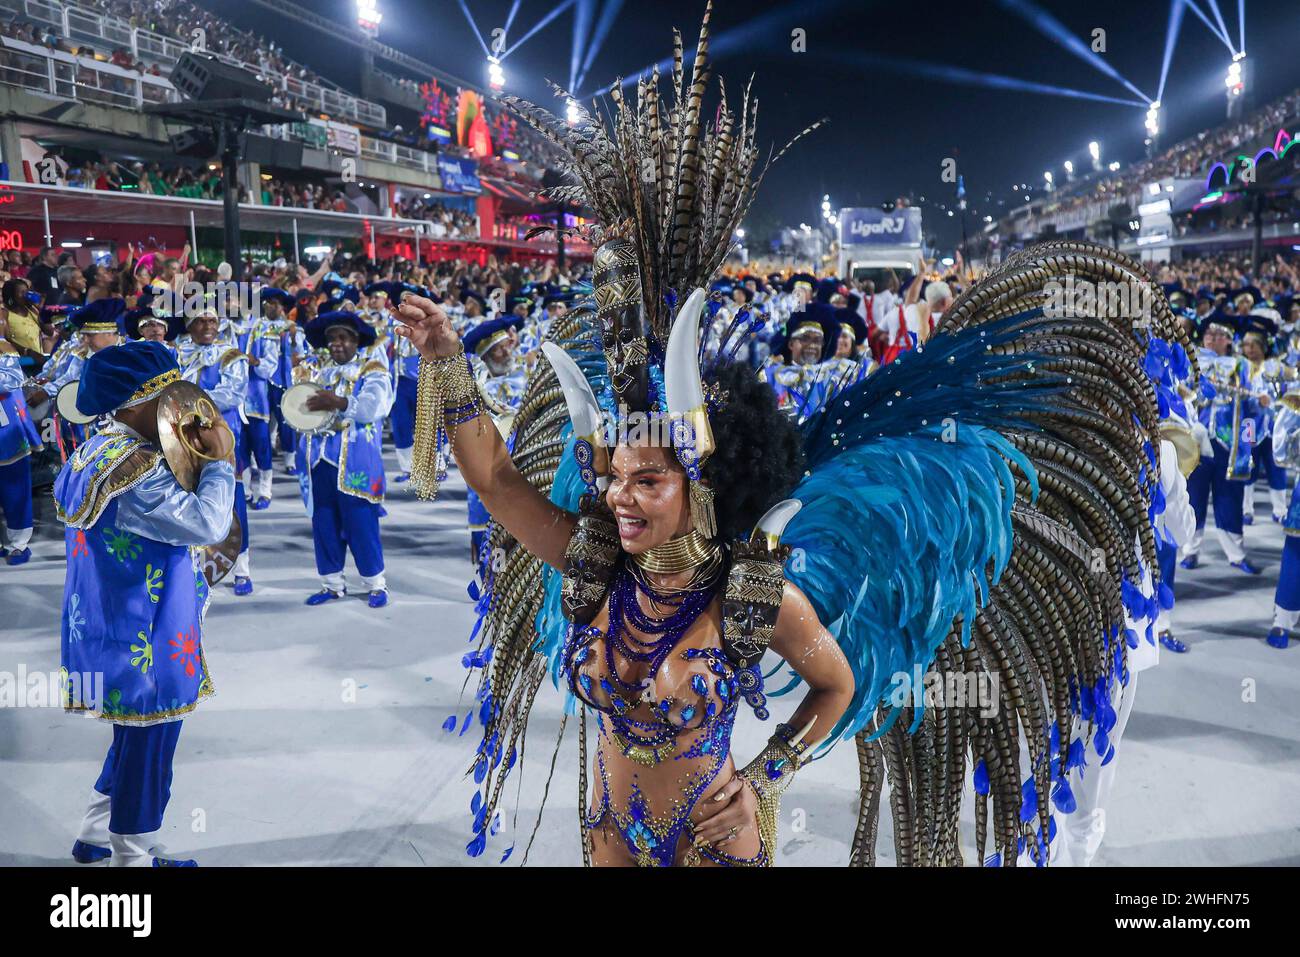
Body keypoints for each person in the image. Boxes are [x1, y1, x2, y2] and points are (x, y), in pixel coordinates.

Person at [393, 8, 1172, 868]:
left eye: (646, 479)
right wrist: (447, 362)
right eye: (614, 474)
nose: (619, 495)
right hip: (606, 840)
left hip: (713, 847)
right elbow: (497, 481)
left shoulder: (750, 596)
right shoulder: (593, 564)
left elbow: (834, 685)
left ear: (702, 483)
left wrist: (769, 774)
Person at [53, 340, 235, 866]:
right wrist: (219, 461)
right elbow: (209, 524)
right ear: (141, 400)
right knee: (150, 748)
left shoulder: (95, 449)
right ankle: (131, 859)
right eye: (170, 398)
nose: (180, 410)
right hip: (148, 639)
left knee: (130, 738)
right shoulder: (141, 471)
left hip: (106, 629)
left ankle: (92, 835)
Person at [295, 311, 393, 608]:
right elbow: (297, 406)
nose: (336, 344)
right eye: (331, 339)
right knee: (323, 521)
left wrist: (337, 402)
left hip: (355, 460)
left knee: (360, 522)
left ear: (356, 341)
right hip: (318, 458)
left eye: (343, 338)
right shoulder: (315, 371)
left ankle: (376, 584)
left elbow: (372, 408)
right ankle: (332, 584)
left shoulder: (372, 369)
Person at [175, 309, 253, 595]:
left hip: (223, 437)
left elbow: (232, 394)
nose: (208, 326)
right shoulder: (177, 353)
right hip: (183, 439)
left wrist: (188, 403)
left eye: (212, 321)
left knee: (232, 500)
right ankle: (195, 566)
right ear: (190, 326)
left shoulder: (231, 355)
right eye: (200, 321)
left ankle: (242, 568)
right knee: (190, 497)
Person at [1180, 321, 1262, 573]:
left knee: (1230, 499)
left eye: (1217, 335)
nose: (1210, 338)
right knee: (1193, 498)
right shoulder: (1190, 361)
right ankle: (1190, 551)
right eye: (1208, 334)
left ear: (1228, 340)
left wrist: (1247, 445)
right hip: (1198, 441)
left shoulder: (1242, 366)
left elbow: (1252, 410)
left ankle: (1236, 554)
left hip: (1230, 444)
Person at [461, 317, 528, 564]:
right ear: (487, 357)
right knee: (484, 519)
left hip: (522, 458)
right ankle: (488, 581)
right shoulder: (475, 385)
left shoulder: (528, 376)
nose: (506, 351)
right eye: (498, 349)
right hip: (486, 461)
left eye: (505, 345)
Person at [0, 311, 41, 564]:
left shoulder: (5, 349)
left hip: (7, 429)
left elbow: (11, 381)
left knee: (15, 488)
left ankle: (18, 544)